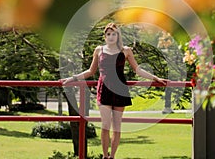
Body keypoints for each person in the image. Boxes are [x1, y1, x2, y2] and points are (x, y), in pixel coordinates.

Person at [62, 22, 167, 159]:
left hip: (120, 89)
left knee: (117, 126)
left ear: (118, 36)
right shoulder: (99, 50)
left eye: (114, 34)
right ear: (105, 36)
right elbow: (90, 71)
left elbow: (137, 69)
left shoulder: (126, 50)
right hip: (104, 89)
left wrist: (155, 78)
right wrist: (72, 78)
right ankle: (105, 156)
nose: (111, 37)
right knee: (105, 125)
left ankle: (112, 156)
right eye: (108, 34)